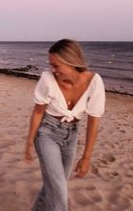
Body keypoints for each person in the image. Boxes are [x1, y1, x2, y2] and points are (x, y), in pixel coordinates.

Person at [25, 39, 105, 211]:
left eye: (56, 65)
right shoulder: (47, 79)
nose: (52, 70)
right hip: (46, 133)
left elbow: (94, 120)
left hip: (71, 137)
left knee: (55, 186)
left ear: (71, 62)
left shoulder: (94, 81)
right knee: (59, 189)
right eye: (51, 65)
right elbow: (38, 112)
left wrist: (86, 157)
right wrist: (30, 142)